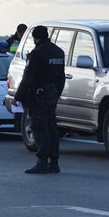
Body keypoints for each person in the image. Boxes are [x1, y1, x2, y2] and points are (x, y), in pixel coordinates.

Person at [12, 25, 65, 174]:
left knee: (39, 128)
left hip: (38, 96)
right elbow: (62, 77)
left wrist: (17, 97)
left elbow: (28, 78)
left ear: (35, 38)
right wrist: (56, 94)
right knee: (52, 128)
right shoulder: (59, 52)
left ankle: (42, 162)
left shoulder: (37, 53)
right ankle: (54, 163)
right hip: (52, 94)